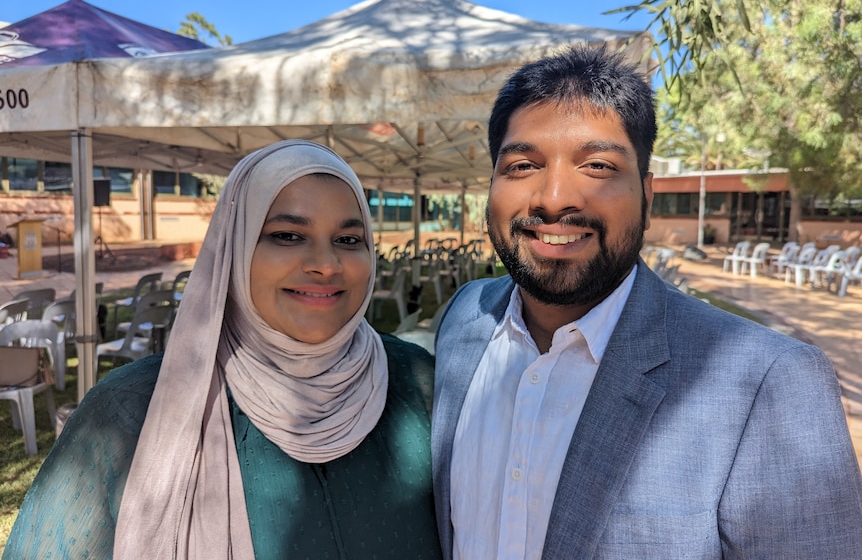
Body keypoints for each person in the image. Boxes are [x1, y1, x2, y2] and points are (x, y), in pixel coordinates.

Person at [431, 44, 862, 559]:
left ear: (647, 195)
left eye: (596, 165)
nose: (553, 197)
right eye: (522, 165)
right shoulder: (464, 318)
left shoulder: (767, 383)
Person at [4, 140, 442, 559]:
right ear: (232, 248)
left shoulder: (417, 383)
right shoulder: (131, 412)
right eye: (288, 235)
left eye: (349, 240)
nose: (325, 264)